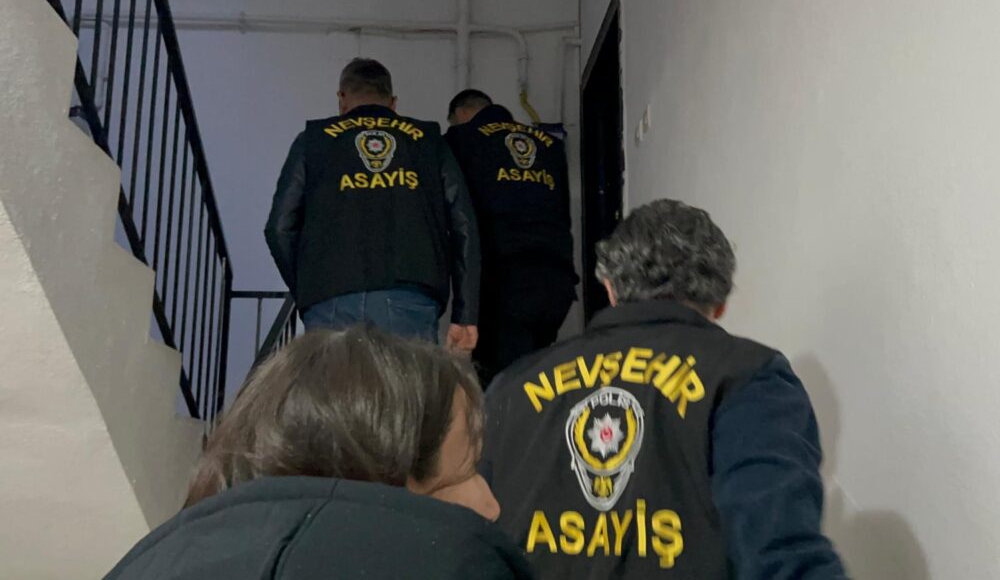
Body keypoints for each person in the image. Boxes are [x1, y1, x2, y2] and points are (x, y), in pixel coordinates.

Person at [480, 199, 848, 579]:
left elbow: (469, 543)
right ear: (719, 303)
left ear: (610, 288)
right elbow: (780, 554)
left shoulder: (511, 386)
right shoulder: (749, 377)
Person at [105, 326, 533, 580]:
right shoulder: (450, 564)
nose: (491, 506)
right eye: (466, 471)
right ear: (381, 469)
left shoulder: (144, 564)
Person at [265, 59, 480, 351]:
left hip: (330, 299)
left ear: (342, 98)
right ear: (393, 103)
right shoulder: (428, 141)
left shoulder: (312, 140)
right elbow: (464, 224)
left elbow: (279, 228)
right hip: (409, 295)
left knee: (335, 383)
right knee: (404, 382)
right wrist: (465, 314)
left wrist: (312, 286)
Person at [444, 90, 578, 383]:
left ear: (462, 114)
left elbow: (455, 208)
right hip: (556, 278)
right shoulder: (549, 145)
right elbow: (562, 211)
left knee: (503, 381)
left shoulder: (463, 138)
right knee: (534, 373)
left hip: (504, 278)